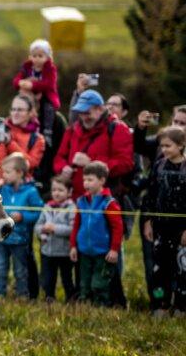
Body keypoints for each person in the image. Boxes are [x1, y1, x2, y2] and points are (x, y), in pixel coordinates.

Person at [53, 90, 134, 200]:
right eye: (80, 113)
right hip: (74, 199)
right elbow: (59, 157)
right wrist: (63, 168)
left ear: (100, 109)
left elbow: (126, 163)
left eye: (87, 113)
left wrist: (92, 163)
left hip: (102, 201)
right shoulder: (72, 129)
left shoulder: (118, 128)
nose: (83, 117)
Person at [141, 126, 186, 315]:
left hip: (182, 230)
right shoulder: (158, 166)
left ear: (181, 145)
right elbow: (150, 195)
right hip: (160, 227)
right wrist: (148, 220)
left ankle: (181, 306)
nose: (164, 150)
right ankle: (160, 304)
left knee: (182, 268)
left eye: (168, 146)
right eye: (162, 146)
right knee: (160, 270)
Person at [70, 161, 123, 307]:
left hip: (103, 253)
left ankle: (102, 307)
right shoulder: (81, 201)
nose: (86, 183)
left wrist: (114, 249)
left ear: (102, 180)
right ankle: (86, 306)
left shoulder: (109, 203)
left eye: (90, 180)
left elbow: (118, 228)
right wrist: (73, 245)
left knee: (99, 284)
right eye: (84, 180)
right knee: (84, 282)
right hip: (84, 251)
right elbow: (76, 225)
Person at [0, 153, 43, 297]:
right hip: (1, 238)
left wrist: (23, 217)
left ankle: (23, 296)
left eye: (8, 172)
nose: (4, 176)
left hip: (20, 239)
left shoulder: (31, 191)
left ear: (20, 173)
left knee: (20, 271)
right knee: (0, 269)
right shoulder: (2, 189)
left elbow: (38, 212)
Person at [35, 175, 77, 302]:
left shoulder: (71, 208)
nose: (56, 193)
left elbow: (72, 229)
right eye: (54, 190)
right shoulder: (47, 207)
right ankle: (49, 297)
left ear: (69, 192)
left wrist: (54, 228)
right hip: (48, 251)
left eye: (60, 190)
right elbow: (38, 225)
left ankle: (71, 299)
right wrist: (42, 233)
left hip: (64, 252)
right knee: (48, 278)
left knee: (66, 278)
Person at [12, 39, 59, 136]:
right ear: (30, 57)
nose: (37, 58)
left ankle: (47, 130)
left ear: (47, 57)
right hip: (29, 95)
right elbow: (16, 80)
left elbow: (49, 84)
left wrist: (33, 85)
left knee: (48, 108)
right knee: (19, 105)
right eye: (34, 56)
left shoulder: (50, 69)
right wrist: (20, 82)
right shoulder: (27, 67)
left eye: (40, 56)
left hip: (46, 95)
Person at [0, 94, 46, 178]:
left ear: (30, 113)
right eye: (13, 109)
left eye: (20, 110)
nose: (15, 113)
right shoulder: (0, 128)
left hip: (18, 189)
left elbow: (31, 163)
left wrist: (9, 143)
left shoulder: (38, 139)